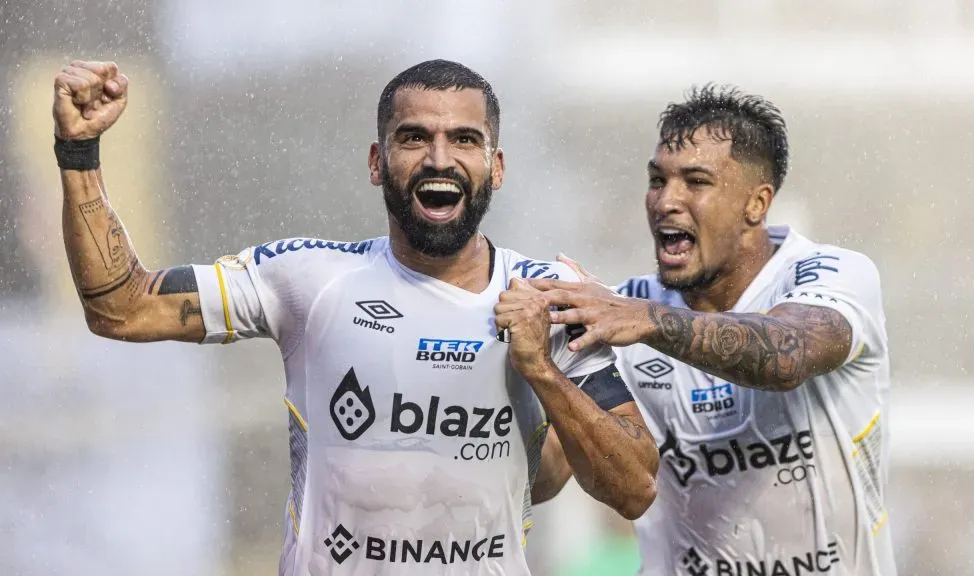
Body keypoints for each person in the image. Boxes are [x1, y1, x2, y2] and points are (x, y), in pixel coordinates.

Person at [53, 58, 658, 575]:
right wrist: (79, 152)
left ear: (496, 168)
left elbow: (633, 489)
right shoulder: (307, 278)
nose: (439, 159)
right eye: (414, 137)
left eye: (465, 140)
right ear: (377, 161)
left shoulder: (550, 299)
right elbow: (121, 308)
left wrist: (541, 372)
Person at [531, 85, 896, 575]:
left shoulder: (832, 274)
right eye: (657, 180)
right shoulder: (619, 318)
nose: (666, 201)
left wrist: (643, 320)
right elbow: (545, 478)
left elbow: (787, 355)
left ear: (756, 203)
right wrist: (540, 369)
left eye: (696, 182)